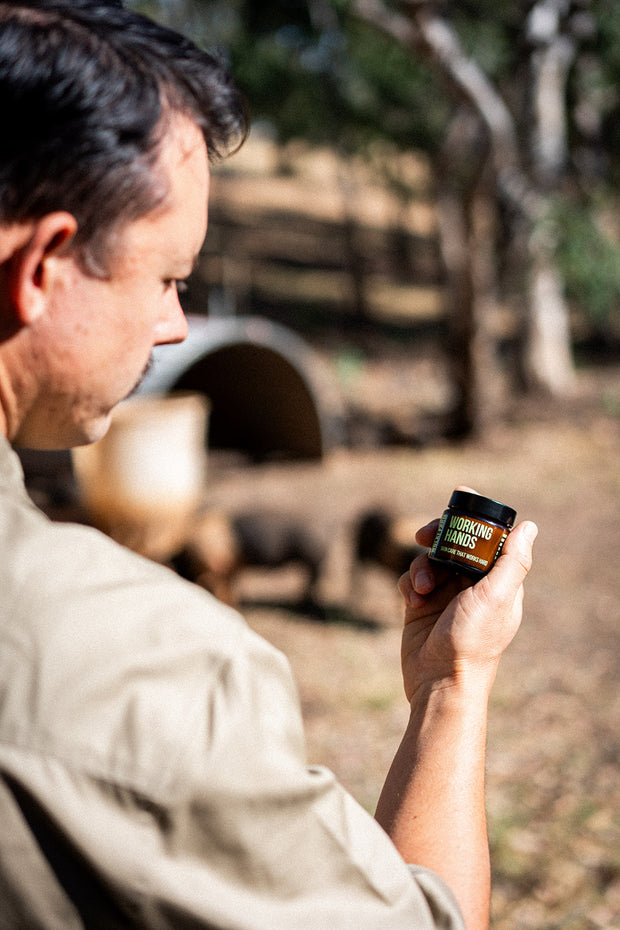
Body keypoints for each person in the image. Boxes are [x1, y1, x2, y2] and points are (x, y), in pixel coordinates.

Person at [0, 2, 537, 928]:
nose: (176, 324)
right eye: (169, 277)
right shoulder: (133, 672)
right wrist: (454, 688)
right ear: (45, 264)